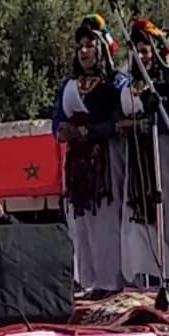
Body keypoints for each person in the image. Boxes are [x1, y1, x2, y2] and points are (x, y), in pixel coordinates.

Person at [51, 15, 127, 299]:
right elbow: (56, 121)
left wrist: (84, 132)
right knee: (79, 220)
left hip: (105, 159)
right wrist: (62, 131)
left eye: (90, 45)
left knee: (105, 219)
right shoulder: (68, 85)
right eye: (80, 46)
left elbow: (117, 121)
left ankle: (110, 281)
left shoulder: (116, 83)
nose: (83, 51)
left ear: (103, 48)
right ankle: (86, 279)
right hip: (77, 162)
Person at [117, 18, 169, 292]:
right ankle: (150, 273)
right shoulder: (127, 85)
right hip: (137, 155)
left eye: (146, 49)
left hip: (162, 150)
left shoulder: (167, 81)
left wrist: (146, 123)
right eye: (137, 49)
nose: (141, 55)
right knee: (139, 214)